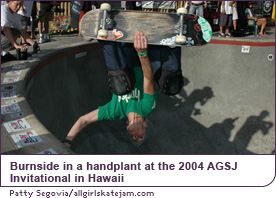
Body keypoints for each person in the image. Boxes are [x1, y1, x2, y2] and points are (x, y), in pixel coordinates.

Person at [63, 32, 159, 148]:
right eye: (140, 137)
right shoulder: (147, 107)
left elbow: (83, 120)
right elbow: (148, 78)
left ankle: (105, 35)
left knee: (120, 83)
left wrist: (67, 143)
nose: (135, 136)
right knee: (167, 80)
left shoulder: (115, 111)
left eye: (134, 139)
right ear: (146, 125)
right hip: (142, 61)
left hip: (123, 63)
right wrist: (142, 53)